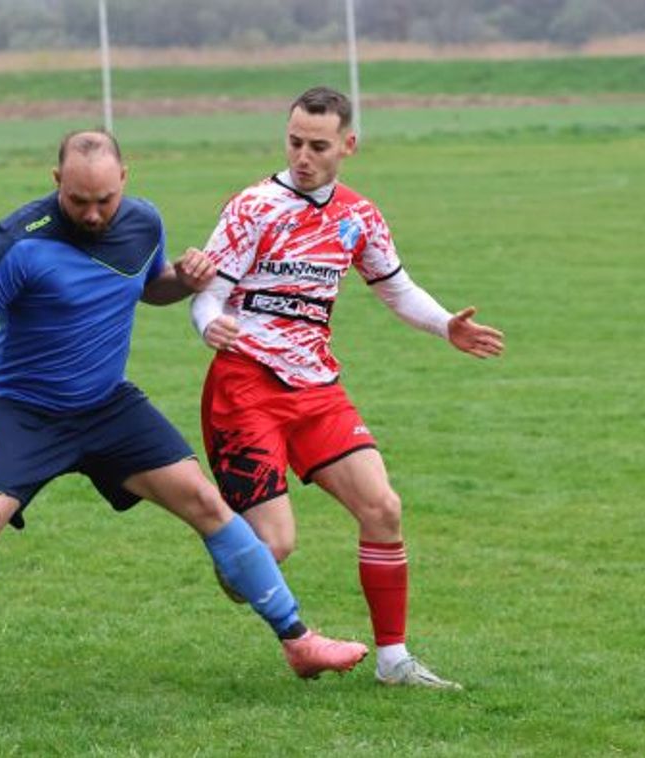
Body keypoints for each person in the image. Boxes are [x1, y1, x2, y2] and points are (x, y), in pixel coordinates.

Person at [0, 129, 368, 711]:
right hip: (26, 410)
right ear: (55, 183)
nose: (92, 214)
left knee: (206, 502)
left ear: (125, 178)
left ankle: (299, 642)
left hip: (107, 406)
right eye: (77, 201)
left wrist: (186, 280)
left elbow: (150, 288)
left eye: (103, 201)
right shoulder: (17, 242)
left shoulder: (143, 223)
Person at [189, 86, 505, 690]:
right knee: (275, 545)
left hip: (316, 388)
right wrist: (211, 322)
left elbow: (396, 287)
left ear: (348, 145)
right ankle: (239, 557)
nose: (303, 156)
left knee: (382, 507)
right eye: (294, 142)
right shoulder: (253, 207)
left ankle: (394, 662)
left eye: (318, 145)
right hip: (245, 383)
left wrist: (446, 327)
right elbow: (210, 289)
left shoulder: (358, 215)